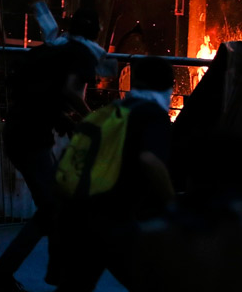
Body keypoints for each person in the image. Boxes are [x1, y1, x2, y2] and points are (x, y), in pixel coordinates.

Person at [0, 8, 99, 292]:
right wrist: (93, 119)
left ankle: (55, 274)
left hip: (20, 129)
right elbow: (72, 91)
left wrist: (62, 119)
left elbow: (36, 92)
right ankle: (5, 275)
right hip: (31, 137)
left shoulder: (53, 48)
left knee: (54, 206)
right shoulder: (82, 54)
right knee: (53, 207)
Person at [49, 55, 176, 292]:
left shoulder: (110, 111)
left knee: (75, 284)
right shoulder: (153, 115)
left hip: (77, 212)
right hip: (115, 217)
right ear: (169, 86)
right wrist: (172, 203)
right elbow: (150, 160)